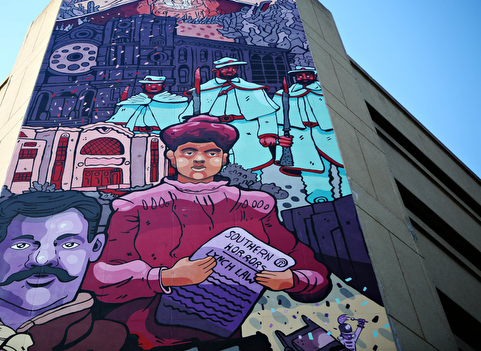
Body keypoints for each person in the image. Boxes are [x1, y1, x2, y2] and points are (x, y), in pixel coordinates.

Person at [82, 116, 331, 349]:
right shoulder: (135, 205)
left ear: (224, 158)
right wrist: (164, 277)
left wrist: (292, 280)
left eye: (211, 153)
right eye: (189, 152)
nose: (200, 160)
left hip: (229, 335)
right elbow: (99, 277)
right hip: (147, 337)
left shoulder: (255, 205)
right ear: (172, 156)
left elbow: (314, 272)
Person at [0, 191, 139, 351]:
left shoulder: (119, 338)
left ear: (96, 247)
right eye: (22, 244)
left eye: (69, 244)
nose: (42, 258)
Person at [179, 57, 292, 171]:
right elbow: (189, 116)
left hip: (247, 131)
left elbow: (266, 113)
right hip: (214, 131)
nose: (230, 71)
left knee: (251, 166)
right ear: (216, 70)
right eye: (226, 68)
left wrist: (268, 134)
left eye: (234, 68)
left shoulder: (252, 89)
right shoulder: (204, 90)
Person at [272, 66, 351, 203]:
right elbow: (278, 119)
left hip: (328, 135)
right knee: (310, 171)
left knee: (343, 169)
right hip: (301, 137)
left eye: (307, 75)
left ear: (313, 75)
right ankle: (319, 200)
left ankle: (347, 198)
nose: (304, 78)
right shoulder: (284, 94)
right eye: (300, 75)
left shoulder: (325, 91)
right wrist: (281, 138)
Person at [107, 75, 188, 133]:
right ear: (143, 86)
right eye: (149, 84)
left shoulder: (175, 102)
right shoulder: (133, 102)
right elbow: (116, 121)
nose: (153, 87)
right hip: (133, 134)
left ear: (163, 86)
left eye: (158, 84)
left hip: (162, 135)